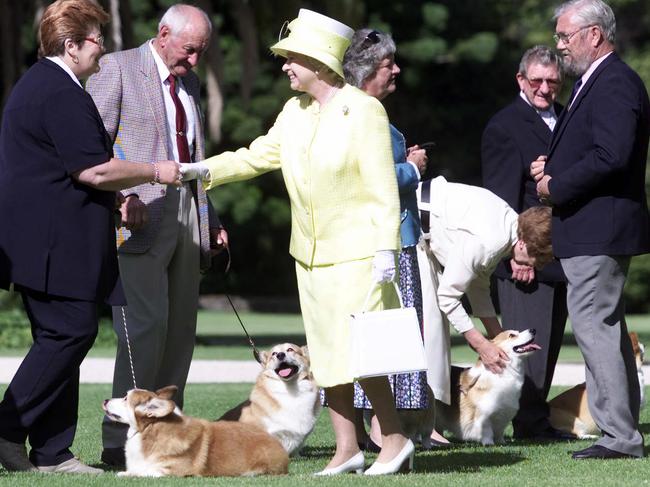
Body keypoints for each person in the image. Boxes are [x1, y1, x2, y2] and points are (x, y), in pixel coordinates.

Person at [181, 9, 415, 476]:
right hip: (309, 256)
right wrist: (202, 171)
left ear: (320, 60)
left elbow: (382, 185)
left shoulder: (364, 109)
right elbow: (258, 156)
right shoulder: (295, 111)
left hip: (360, 254)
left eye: (292, 58)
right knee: (326, 361)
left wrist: (387, 249)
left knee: (362, 355)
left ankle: (395, 442)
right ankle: (347, 450)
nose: (285, 66)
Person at [0, 0, 180, 474]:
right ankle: (5, 429)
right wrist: (155, 172)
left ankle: (51, 452)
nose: (103, 48)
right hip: (53, 244)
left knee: (62, 337)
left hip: (51, 241)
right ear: (71, 44)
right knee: (70, 333)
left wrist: (119, 202)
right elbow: (93, 169)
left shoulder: (52, 86)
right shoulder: (57, 89)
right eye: (97, 39)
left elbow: (68, 167)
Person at [85, 4, 227, 467]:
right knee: (145, 331)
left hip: (188, 211)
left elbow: (193, 157)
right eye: (190, 49)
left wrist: (213, 218)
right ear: (163, 33)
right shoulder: (115, 69)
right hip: (137, 215)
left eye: (201, 52)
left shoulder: (186, 82)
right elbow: (92, 148)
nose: (194, 61)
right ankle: (115, 440)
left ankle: (166, 437)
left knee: (181, 331)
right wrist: (118, 200)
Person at [532, 0, 649, 459]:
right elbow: (598, 150)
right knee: (608, 333)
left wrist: (555, 183)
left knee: (596, 332)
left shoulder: (614, 81)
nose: (560, 46)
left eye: (565, 36)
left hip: (598, 228)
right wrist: (554, 165)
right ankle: (622, 432)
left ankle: (619, 437)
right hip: (592, 227)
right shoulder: (596, 81)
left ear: (594, 34)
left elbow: (612, 155)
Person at [342, 28, 451, 449]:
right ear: (368, 70)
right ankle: (384, 430)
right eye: (390, 64)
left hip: (362, 240)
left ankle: (378, 430)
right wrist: (414, 168)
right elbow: (379, 179)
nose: (397, 71)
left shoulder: (345, 111)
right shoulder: (368, 115)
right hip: (389, 241)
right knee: (393, 335)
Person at [481, 46, 572, 440]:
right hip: (523, 256)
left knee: (548, 341)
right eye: (536, 80)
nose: (544, 88)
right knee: (526, 342)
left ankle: (538, 420)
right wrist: (517, 254)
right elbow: (500, 199)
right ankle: (528, 423)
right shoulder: (504, 126)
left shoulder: (568, 117)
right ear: (521, 80)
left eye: (552, 81)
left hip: (562, 251)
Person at [418, 176, 554, 374]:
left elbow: (478, 286)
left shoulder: (509, 226)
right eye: (538, 258)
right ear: (524, 244)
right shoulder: (490, 242)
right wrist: (481, 344)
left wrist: (499, 339)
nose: (536, 265)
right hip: (409, 224)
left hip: (422, 221)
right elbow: (447, 296)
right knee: (430, 337)